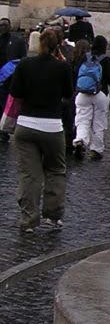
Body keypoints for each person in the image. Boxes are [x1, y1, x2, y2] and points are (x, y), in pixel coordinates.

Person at [8, 27, 74, 230]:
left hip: (26, 124)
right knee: (55, 170)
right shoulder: (62, 67)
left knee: (30, 174)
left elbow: (16, 92)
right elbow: (68, 95)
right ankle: (53, 216)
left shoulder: (25, 65)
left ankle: (28, 219)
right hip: (52, 126)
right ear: (58, 45)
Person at [73, 34, 110, 161]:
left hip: (83, 93)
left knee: (82, 119)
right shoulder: (106, 59)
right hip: (100, 93)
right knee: (99, 122)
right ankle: (96, 149)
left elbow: (76, 71)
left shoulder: (85, 57)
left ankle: (80, 140)